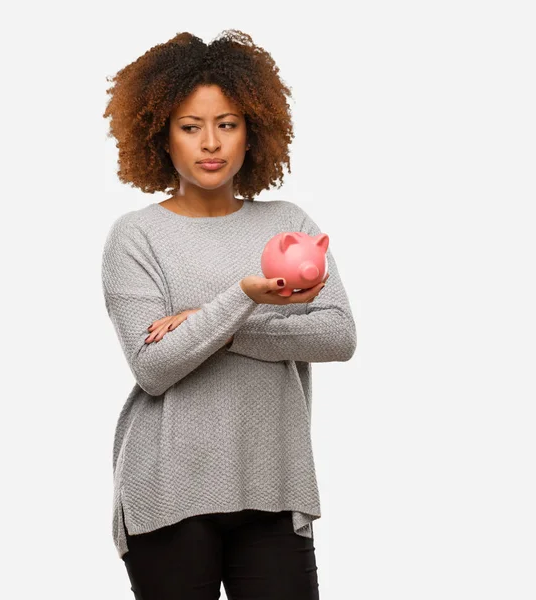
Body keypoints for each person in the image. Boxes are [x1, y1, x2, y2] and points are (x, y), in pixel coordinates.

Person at [101, 29, 357, 599]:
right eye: (190, 127)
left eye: (227, 124)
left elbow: (338, 335)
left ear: (252, 133)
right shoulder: (136, 237)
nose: (210, 143)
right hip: (169, 489)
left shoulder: (288, 221)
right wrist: (243, 297)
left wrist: (208, 320)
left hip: (272, 482)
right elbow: (154, 366)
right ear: (161, 136)